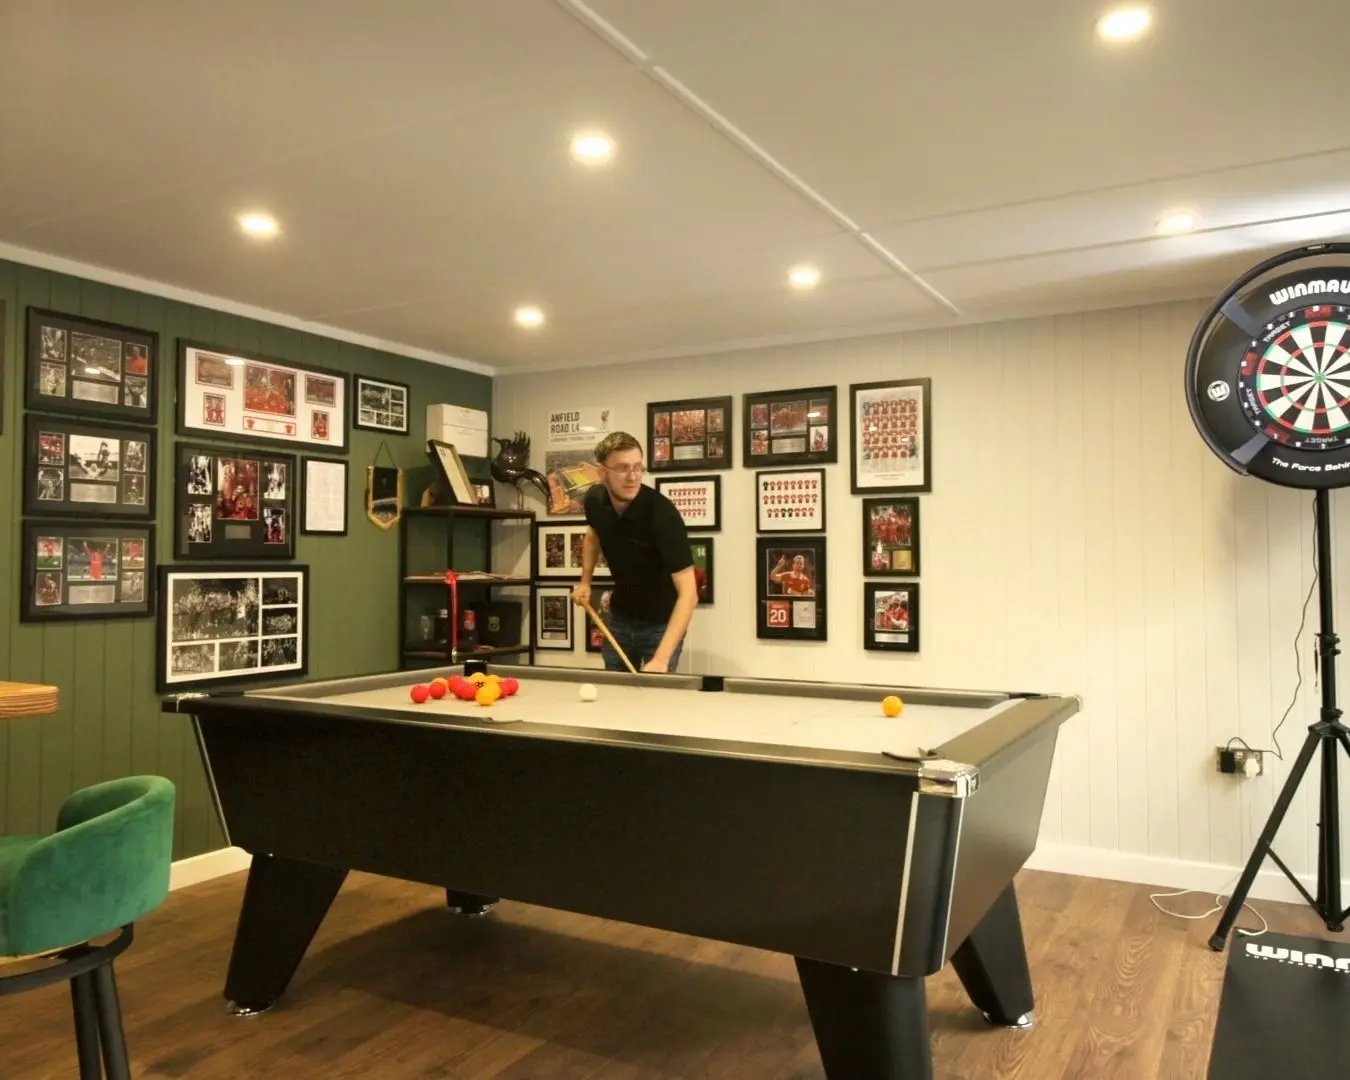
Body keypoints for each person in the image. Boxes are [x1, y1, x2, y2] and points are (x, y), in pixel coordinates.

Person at [571, 432, 697, 673]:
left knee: (655, 702)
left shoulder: (663, 516)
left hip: (661, 625)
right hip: (619, 617)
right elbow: (592, 536)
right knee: (614, 697)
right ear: (602, 472)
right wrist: (585, 582)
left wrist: (660, 660)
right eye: (622, 468)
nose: (632, 477)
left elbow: (689, 594)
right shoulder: (595, 500)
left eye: (638, 467)